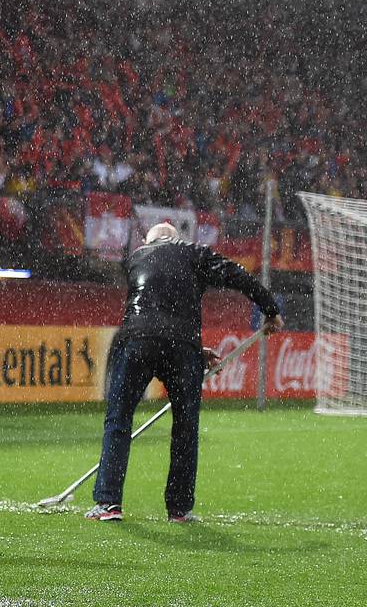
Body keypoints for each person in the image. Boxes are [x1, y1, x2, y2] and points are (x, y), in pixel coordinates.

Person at [88, 222, 283, 523]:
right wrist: (270, 309)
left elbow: (156, 306)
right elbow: (237, 275)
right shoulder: (194, 254)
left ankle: (108, 502)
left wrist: (193, 348)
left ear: (148, 242)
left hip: (137, 340)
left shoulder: (135, 258)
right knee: (185, 428)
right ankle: (179, 508)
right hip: (181, 347)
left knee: (119, 419)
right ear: (178, 241)